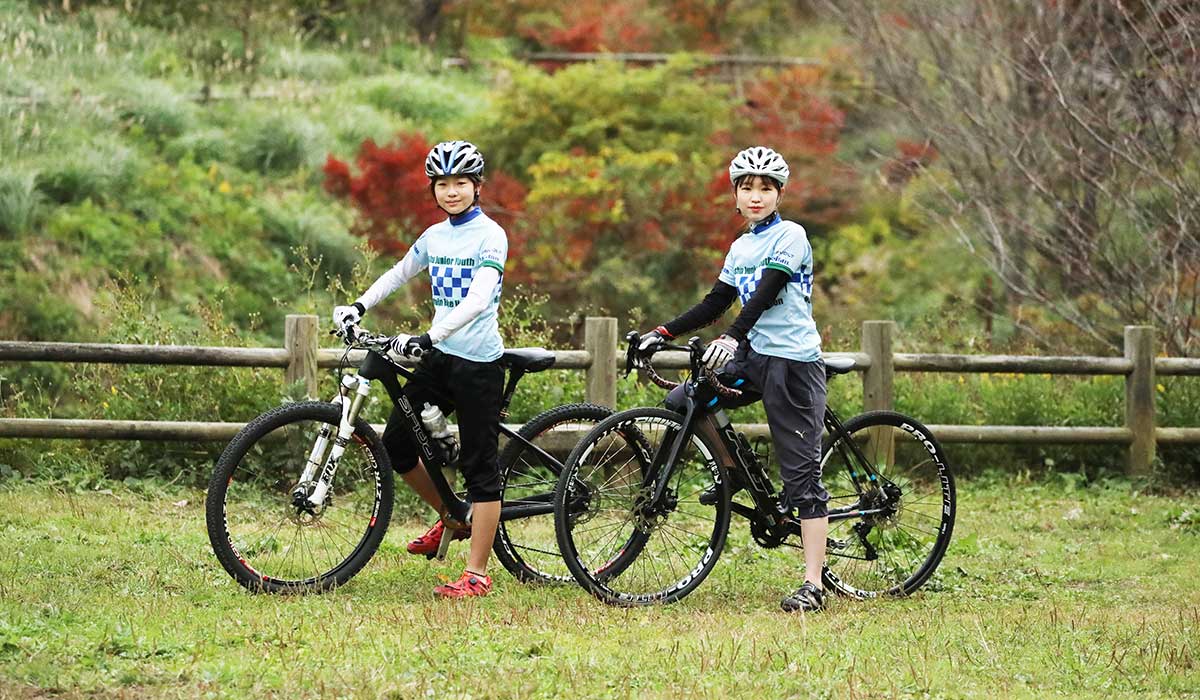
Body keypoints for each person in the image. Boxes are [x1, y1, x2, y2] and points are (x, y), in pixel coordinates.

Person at [639, 146, 830, 612]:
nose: (757, 196)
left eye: (766, 188)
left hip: (793, 363)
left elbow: (766, 292)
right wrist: (661, 332)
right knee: (686, 399)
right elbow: (716, 301)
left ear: (779, 194)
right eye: (748, 187)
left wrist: (731, 336)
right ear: (736, 196)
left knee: (802, 479)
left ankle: (813, 584)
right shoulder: (740, 246)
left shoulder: (792, 235)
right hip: (752, 357)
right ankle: (731, 471)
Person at [332, 140, 507, 599]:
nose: (451, 192)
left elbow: (477, 298)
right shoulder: (434, 237)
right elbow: (397, 273)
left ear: (477, 187)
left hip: (478, 363)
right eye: (443, 184)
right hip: (439, 359)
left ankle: (477, 575)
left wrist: (431, 336)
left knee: (480, 467)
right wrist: (357, 304)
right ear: (434, 189)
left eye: (461, 183)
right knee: (396, 445)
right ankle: (453, 515)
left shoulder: (491, 235)